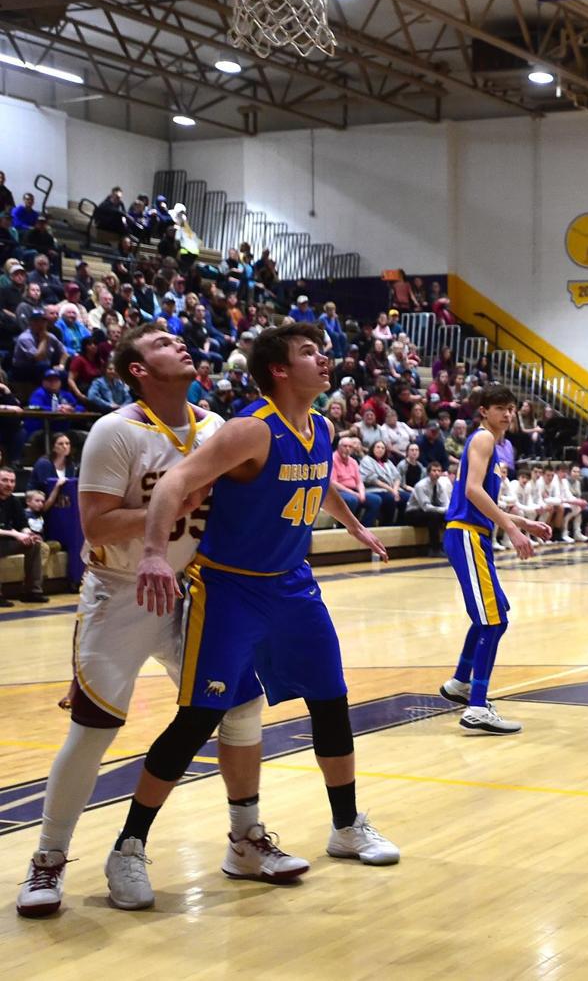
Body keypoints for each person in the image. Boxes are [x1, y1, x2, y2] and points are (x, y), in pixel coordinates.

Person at [15, 325, 307, 918]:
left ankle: (246, 840)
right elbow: (95, 526)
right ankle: (48, 858)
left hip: (195, 588)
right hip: (122, 591)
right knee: (95, 729)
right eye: (160, 342)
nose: (179, 344)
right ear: (137, 370)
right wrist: (167, 505)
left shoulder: (218, 427)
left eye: (179, 339)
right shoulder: (113, 431)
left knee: (241, 705)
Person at [114, 322, 400, 912]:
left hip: (294, 588)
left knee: (331, 701)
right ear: (278, 369)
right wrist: (151, 555)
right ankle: (128, 846)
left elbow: (317, 482)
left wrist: (354, 526)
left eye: (322, 350)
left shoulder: (320, 426)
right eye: (308, 353)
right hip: (232, 592)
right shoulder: (250, 430)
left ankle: (345, 828)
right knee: (199, 718)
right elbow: (174, 484)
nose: (324, 360)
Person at [438, 385, 551, 734]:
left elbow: (481, 499)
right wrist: (512, 531)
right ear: (484, 410)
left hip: (474, 534)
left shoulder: (496, 444)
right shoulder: (484, 439)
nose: (507, 414)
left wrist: (523, 522)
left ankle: (460, 683)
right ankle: (476, 707)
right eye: (500, 407)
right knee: (493, 620)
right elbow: (472, 490)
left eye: (511, 408)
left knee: (492, 615)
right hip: (467, 534)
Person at [0, 465, 50, 605]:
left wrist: (28, 534)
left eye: (12, 481)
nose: (9, 484)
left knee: (34, 545)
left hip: (7, 542)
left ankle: (32, 591)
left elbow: (22, 524)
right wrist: (16, 535)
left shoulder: (14, 501)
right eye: (4, 480)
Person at [331, 433, 381, 528]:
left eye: (350, 447)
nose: (348, 449)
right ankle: (344, 528)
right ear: (338, 447)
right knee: (352, 500)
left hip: (354, 491)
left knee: (375, 500)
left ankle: (364, 528)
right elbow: (334, 483)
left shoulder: (353, 461)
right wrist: (354, 494)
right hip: (338, 491)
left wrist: (361, 493)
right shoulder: (332, 459)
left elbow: (359, 482)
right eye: (345, 446)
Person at [405, 459, 451, 555]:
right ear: (428, 472)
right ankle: (434, 549)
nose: (437, 473)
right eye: (434, 471)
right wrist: (444, 510)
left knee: (449, 517)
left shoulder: (439, 486)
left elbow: (445, 503)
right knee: (433, 516)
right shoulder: (420, 486)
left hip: (430, 511)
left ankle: (449, 547)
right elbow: (426, 507)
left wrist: (448, 511)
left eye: (439, 471)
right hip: (413, 513)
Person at [360, 439, 403, 526]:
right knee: (390, 498)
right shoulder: (367, 460)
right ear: (372, 449)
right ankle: (386, 525)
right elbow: (372, 479)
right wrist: (392, 490)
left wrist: (395, 489)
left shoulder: (388, 462)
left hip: (391, 489)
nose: (380, 450)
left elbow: (397, 477)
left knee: (407, 498)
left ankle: (400, 524)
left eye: (383, 448)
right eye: (378, 447)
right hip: (374, 489)